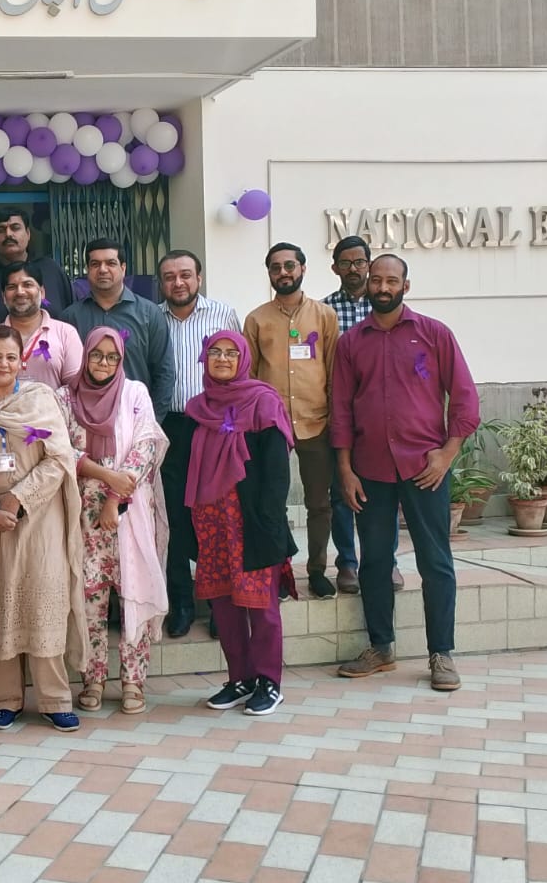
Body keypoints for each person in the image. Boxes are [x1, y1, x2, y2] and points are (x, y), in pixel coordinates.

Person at [332, 254, 480, 694]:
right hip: (370, 470)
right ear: (367, 284)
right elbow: (341, 409)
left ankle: (442, 654)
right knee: (375, 561)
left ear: (405, 286)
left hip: (424, 469)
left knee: (435, 561)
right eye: (376, 280)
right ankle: (381, 648)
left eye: (391, 281)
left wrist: (446, 455)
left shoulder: (434, 334)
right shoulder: (351, 342)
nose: (382, 287)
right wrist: (345, 469)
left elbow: (465, 398)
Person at [0, 325, 86, 732]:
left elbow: (59, 458)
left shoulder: (39, 399)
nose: (3, 364)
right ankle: (2, 700)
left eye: (11, 357)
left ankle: (54, 699)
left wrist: (17, 498)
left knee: (42, 600)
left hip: (39, 520)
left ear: (22, 362)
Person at [185, 331, 298, 717]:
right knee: (224, 604)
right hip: (212, 521)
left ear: (243, 359)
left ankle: (269, 682)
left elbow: (277, 469)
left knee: (260, 605)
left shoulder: (263, 401)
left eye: (231, 353)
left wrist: (270, 520)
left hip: (253, 521)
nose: (222, 358)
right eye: (214, 352)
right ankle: (240, 679)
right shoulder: (199, 407)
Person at [59, 328, 169, 715]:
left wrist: (114, 499)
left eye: (111, 357)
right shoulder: (65, 397)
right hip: (82, 513)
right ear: (85, 356)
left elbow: (145, 446)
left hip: (129, 509)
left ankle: (133, 681)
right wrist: (105, 478)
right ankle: (93, 677)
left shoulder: (134, 393)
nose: (103, 363)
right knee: (89, 598)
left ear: (121, 360)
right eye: (96, 355)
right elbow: (61, 449)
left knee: (133, 592)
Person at [243, 243, 342, 599]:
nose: (283, 272)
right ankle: (279, 571)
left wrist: (336, 419)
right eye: (275, 267)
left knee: (319, 503)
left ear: (302, 268)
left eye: (289, 265)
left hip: (316, 422)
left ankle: (317, 570)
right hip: (271, 427)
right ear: (269, 273)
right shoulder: (256, 319)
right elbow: (249, 377)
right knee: (272, 502)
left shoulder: (324, 316)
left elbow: (333, 369)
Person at [157, 249, 240, 638]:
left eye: (185, 275)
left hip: (215, 427)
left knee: (216, 517)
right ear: (162, 282)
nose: (178, 282)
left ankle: (220, 605)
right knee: (174, 517)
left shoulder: (223, 314)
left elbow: (238, 367)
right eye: (170, 276)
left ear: (199, 278)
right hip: (170, 428)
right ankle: (182, 604)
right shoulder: (152, 318)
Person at [321, 234, 396, 593]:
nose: (353, 269)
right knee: (341, 493)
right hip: (339, 412)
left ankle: (385, 562)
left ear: (369, 264)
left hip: (379, 416)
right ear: (335, 268)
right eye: (346, 263)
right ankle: (347, 563)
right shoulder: (323, 311)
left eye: (360, 262)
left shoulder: (385, 306)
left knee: (383, 494)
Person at [60, 238, 175, 419]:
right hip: (85, 421)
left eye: (110, 263)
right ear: (88, 270)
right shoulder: (70, 318)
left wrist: (150, 422)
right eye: (95, 264)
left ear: (123, 268)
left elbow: (164, 373)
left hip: (135, 418)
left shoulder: (149, 314)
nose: (103, 269)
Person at [0, 262, 83, 392]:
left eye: (27, 285)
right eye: (12, 287)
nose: (20, 292)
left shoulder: (66, 333)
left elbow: (75, 390)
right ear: (3, 296)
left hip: (53, 406)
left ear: (42, 292)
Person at [0, 206, 73, 330]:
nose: (8, 234)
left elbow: (71, 315)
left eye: (15, 228)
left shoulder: (51, 270)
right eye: (1, 230)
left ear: (28, 233)